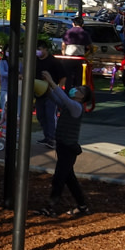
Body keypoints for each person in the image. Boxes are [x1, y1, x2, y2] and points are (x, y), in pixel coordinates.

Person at [37, 70, 90, 218]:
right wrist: (45, 85)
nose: (76, 89)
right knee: (69, 178)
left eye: (80, 90)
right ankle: (82, 206)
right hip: (63, 146)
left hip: (68, 148)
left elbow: (62, 98)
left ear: (82, 97)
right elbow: (54, 97)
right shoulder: (70, 105)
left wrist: (52, 82)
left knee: (59, 178)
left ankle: (50, 207)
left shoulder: (76, 107)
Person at [34, 40, 66, 148]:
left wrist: (58, 90)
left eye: (39, 49)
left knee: (50, 116)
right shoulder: (35, 61)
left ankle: (52, 138)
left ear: (45, 50)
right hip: (38, 92)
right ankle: (47, 136)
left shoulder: (54, 61)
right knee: (40, 116)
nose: (37, 52)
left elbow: (63, 77)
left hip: (51, 93)